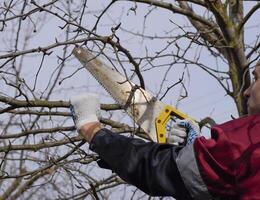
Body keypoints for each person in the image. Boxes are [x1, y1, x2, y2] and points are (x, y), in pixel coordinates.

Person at [70, 62, 260, 200]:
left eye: (257, 78)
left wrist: (93, 130)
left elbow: (158, 169)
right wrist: (194, 152)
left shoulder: (248, 141)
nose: (247, 91)